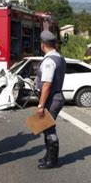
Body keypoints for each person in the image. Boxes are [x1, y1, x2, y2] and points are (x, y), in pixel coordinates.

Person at [35, 30, 66, 169]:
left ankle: (52, 160)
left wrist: (41, 105)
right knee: (46, 127)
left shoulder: (49, 61)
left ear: (42, 45)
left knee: (48, 128)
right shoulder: (59, 57)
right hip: (56, 96)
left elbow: (46, 84)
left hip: (52, 98)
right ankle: (48, 156)